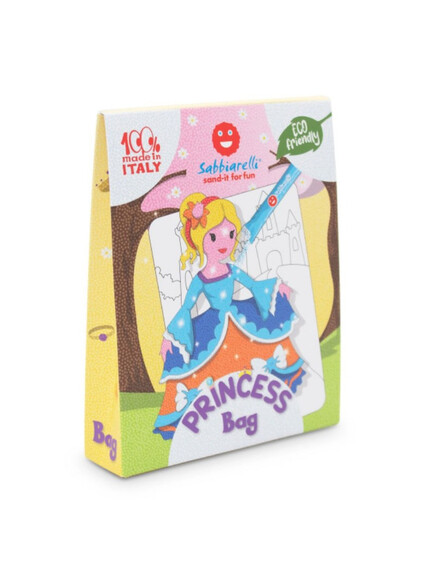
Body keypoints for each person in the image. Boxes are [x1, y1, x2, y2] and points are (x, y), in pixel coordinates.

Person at [154, 192, 305, 439]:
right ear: (200, 239)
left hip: (237, 314)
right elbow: (187, 307)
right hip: (213, 323)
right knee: (206, 364)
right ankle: (216, 410)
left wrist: (275, 292)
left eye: (231, 234)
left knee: (258, 343)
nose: (224, 242)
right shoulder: (201, 278)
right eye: (214, 237)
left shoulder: (231, 269)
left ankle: (258, 392)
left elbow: (252, 285)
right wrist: (173, 336)